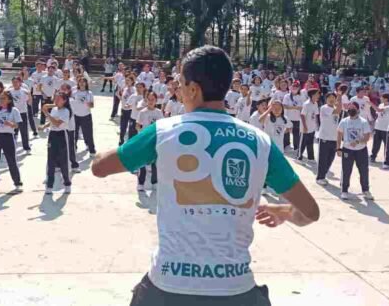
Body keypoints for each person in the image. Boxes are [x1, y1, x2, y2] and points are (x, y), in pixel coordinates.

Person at [92, 46, 319, 305]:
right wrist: (286, 212)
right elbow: (310, 212)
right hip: (236, 290)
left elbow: (100, 168)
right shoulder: (260, 141)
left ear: (193, 89)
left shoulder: (164, 132)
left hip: (169, 287)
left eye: (180, 84)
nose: (177, 90)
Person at [0, 90, 23, 194]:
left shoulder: (14, 111)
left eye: (3, 99)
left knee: (11, 161)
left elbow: (18, 125)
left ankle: (17, 183)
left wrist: (12, 124)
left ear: (9, 100)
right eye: (0, 98)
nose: (1, 100)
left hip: (8, 137)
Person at [337, 101, 374, 201]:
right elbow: (339, 134)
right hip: (347, 150)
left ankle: (365, 190)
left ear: (358, 109)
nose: (351, 110)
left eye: (353, 108)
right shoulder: (344, 121)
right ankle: (344, 190)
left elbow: (367, 136)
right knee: (346, 170)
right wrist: (338, 148)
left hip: (361, 150)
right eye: (349, 108)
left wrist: (358, 141)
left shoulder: (363, 122)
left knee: (364, 171)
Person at [41, 92, 73, 195]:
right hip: (52, 135)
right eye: (56, 98)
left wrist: (46, 113)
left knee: (63, 161)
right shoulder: (54, 109)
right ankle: (49, 185)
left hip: (61, 136)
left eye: (59, 99)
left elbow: (57, 123)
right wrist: (44, 126)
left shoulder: (66, 111)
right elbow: (52, 122)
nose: (56, 101)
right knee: (51, 161)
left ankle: (67, 184)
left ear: (64, 101)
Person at [135, 91, 163, 191]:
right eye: (149, 100)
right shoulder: (142, 112)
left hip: (155, 140)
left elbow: (162, 126)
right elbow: (138, 125)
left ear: (156, 101)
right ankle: (141, 183)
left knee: (154, 163)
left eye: (153, 100)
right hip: (144, 141)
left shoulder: (159, 112)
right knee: (142, 163)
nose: (151, 102)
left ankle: (154, 182)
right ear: (146, 100)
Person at [316, 92, 341, 185]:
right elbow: (338, 111)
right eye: (329, 97)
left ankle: (323, 175)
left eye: (333, 97)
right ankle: (320, 177)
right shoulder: (324, 108)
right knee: (323, 159)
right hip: (324, 138)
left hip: (333, 138)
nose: (331, 99)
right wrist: (340, 97)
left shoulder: (334, 108)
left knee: (330, 158)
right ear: (326, 99)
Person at [8, 76, 33, 154]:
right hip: (12, 114)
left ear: (20, 83)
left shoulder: (24, 91)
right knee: (12, 131)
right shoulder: (9, 91)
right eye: (13, 82)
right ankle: (10, 147)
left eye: (16, 82)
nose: (15, 84)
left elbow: (29, 103)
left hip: (22, 113)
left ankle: (26, 147)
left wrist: (29, 96)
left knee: (24, 131)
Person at [72, 77, 96, 157]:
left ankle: (91, 149)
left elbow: (92, 105)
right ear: (78, 83)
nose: (82, 83)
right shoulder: (74, 92)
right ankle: (73, 147)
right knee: (74, 133)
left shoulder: (89, 93)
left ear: (86, 84)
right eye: (80, 82)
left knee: (88, 133)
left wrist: (88, 104)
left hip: (86, 116)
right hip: (75, 115)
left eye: (83, 82)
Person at [370, 93, 389, 163]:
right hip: (378, 127)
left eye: (382, 97)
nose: (380, 98)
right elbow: (378, 114)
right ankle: (373, 156)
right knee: (376, 143)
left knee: (387, 145)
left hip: (386, 128)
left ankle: (387, 159)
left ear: (386, 98)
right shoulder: (381, 104)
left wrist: (370, 103)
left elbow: (379, 110)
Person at [299, 88, 320, 162]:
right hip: (305, 128)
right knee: (303, 143)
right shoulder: (306, 104)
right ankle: (299, 157)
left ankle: (310, 158)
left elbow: (316, 115)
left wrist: (317, 125)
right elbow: (302, 115)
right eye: (317, 94)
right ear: (312, 95)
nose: (318, 95)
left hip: (312, 127)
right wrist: (305, 126)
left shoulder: (316, 103)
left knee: (310, 143)